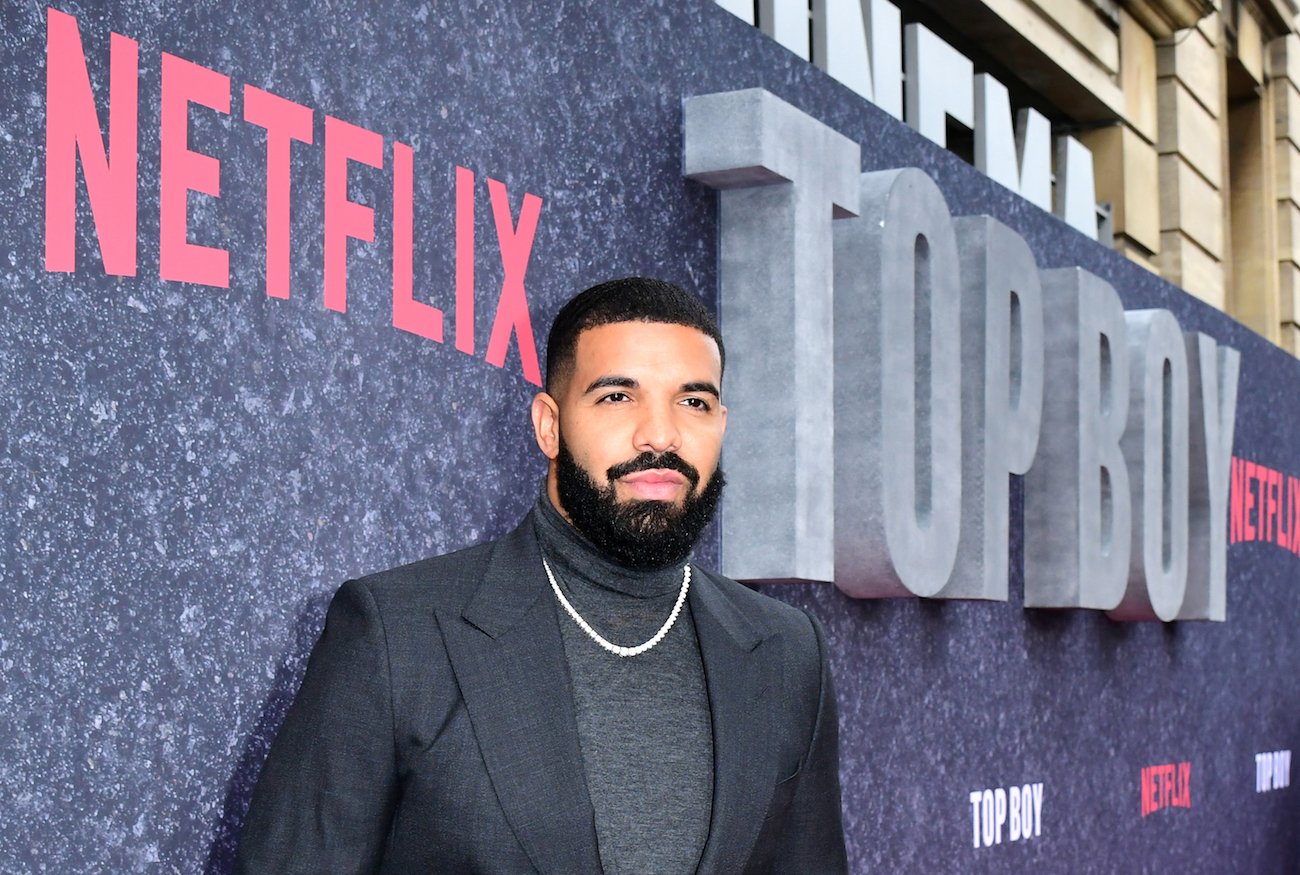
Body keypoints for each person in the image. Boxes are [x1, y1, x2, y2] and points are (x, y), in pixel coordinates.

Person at [234, 277, 848, 874]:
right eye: (617, 396)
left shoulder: (787, 651)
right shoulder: (397, 634)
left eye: (693, 401)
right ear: (548, 425)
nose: (660, 434)